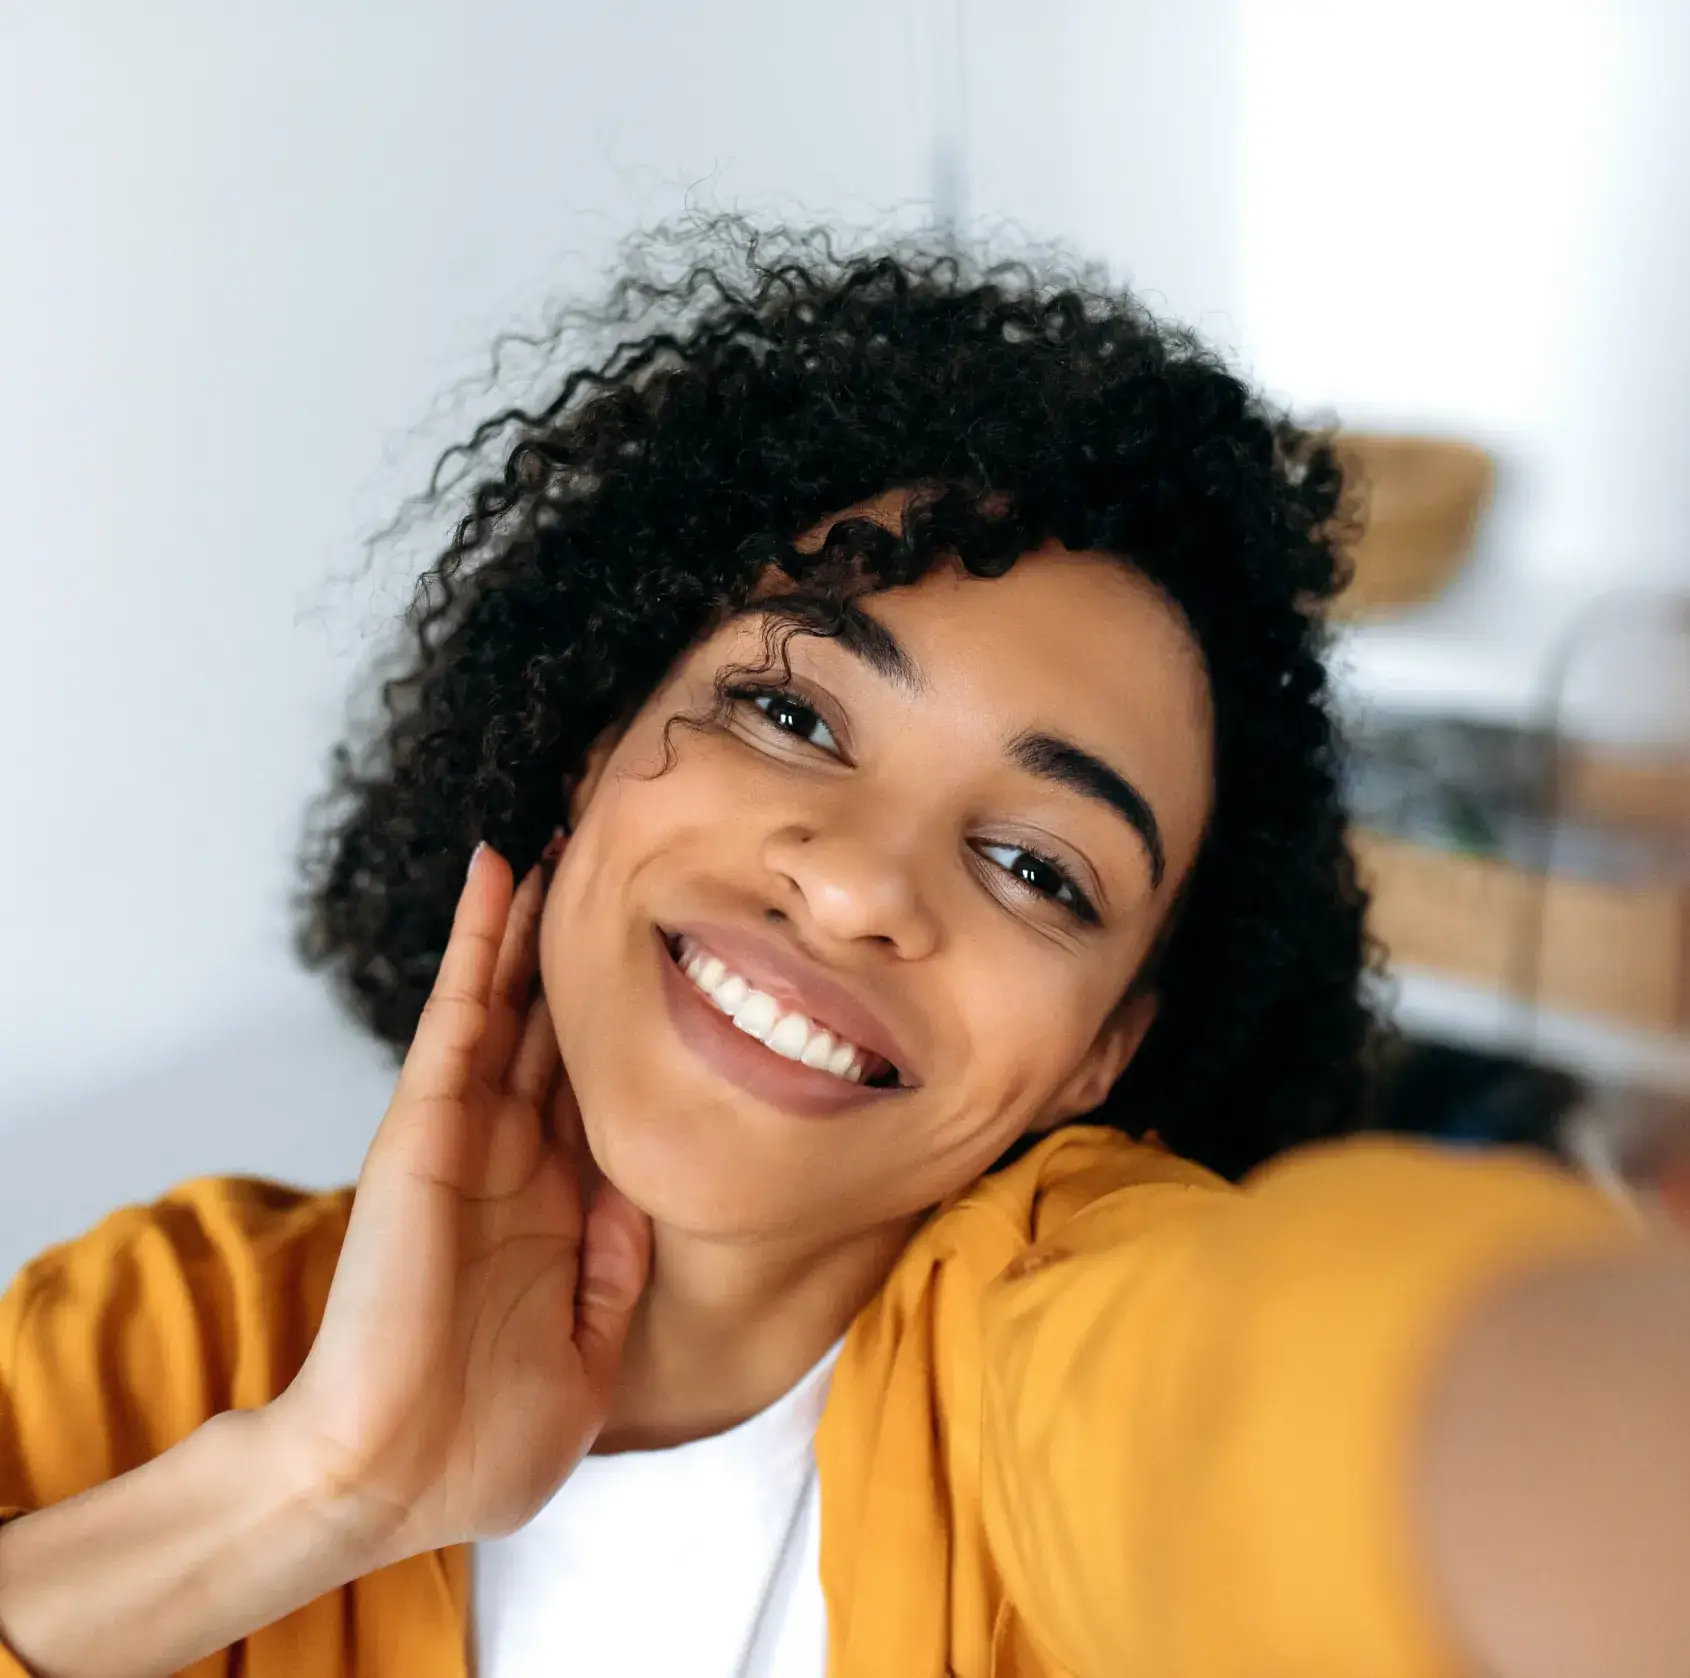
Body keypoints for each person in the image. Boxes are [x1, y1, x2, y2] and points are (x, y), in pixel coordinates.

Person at [0, 219, 1678, 1678]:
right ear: (591, 743)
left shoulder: (1047, 1364)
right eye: (792, 709)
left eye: (1038, 864)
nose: (866, 884)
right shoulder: (164, 1339)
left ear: (1103, 1047)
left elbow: (1298, 1391)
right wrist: (310, 1485)